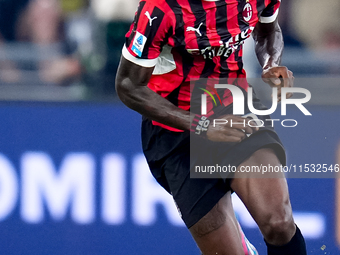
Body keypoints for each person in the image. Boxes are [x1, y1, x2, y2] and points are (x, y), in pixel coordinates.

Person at [115, 0, 307, 254]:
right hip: (174, 129)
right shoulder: (160, 7)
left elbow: (267, 28)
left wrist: (271, 62)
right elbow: (128, 85)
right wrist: (202, 125)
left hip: (232, 103)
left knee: (279, 223)